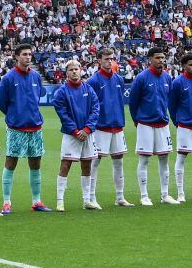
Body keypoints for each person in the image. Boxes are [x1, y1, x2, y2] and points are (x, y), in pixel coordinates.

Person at [0, 46, 49, 214]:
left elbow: (37, 97)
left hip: (35, 125)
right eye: (24, 54)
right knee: (11, 162)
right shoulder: (9, 78)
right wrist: (15, 115)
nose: (27, 57)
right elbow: (1, 102)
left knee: (35, 163)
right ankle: (6, 202)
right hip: (16, 127)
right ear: (17, 57)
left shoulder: (36, 76)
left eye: (29, 54)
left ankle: (36, 201)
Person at [51, 59, 100, 211]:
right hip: (71, 134)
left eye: (76, 69)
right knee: (65, 165)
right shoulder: (61, 92)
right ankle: (60, 201)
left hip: (87, 133)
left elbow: (95, 109)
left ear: (81, 70)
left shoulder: (88, 88)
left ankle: (86, 201)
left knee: (87, 165)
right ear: (66, 73)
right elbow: (62, 114)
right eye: (71, 69)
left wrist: (87, 129)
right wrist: (75, 130)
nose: (74, 72)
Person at [127, 47, 173, 206]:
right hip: (146, 123)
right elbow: (133, 102)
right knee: (144, 159)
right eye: (158, 58)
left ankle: (165, 194)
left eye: (163, 57)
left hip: (163, 124)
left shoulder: (167, 78)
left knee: (164, 159)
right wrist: (136, 120)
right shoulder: (141, 78)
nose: (161, 60)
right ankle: (144, 195)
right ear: (150, 60)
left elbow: (169, 100)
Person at [165, 52, 192, 205]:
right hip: (185, 125)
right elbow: (172, 105)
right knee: (181, 157)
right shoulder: (177, 82)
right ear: (184, 66)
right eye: (191, 65)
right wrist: (177, 121)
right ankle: (180, 193)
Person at [88, 50, 131, 206]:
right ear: (99, 60)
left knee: (118, 160)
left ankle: (120, 197)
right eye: (106, 59)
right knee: (95, 161)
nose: (109, 62)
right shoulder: (93, 81)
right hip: (101, 126)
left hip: (117, 125)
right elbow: (91, 105)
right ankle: (91, 197)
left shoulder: (119, 79)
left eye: (112, 59)